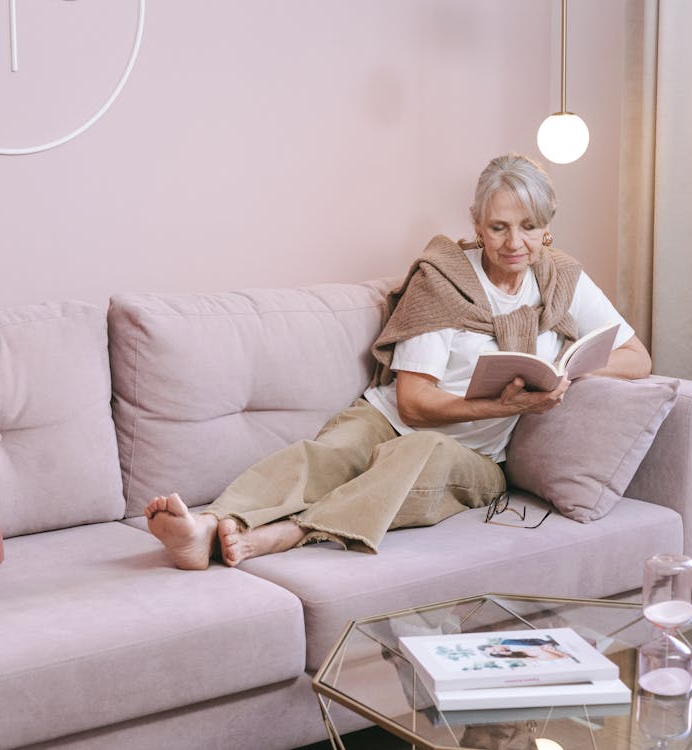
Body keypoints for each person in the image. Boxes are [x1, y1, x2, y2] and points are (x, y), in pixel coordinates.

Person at [146, 153, 652, 570]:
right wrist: (500, 406)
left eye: (528, 227)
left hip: (474, 459)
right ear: (476, 225)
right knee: (330, 451)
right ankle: (209, 525)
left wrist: (568, 368)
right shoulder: (445, 281)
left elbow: (637, 357)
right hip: (389, 418)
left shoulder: (562, 281)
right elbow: (412, 402)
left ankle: (292, 532)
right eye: (498, 227)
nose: (513, 243)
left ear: (547, 231)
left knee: (422, 454)